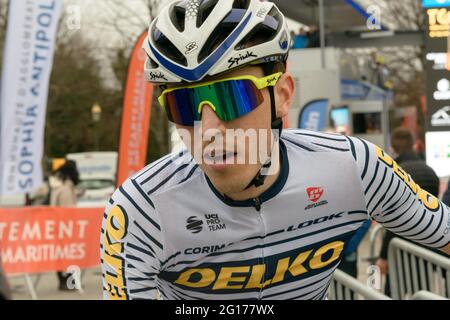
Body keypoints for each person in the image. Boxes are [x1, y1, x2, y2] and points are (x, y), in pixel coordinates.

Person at [101, 0, 450, 300]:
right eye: (183, 105)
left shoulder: (354, 166)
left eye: (231, 96)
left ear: (282, 96)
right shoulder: (140, 210)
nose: (208, 131)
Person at [376, 127, 441, 296]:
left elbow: (393, 221)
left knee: (393, 293)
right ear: (413, 145)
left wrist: (383, 255)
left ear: (393, 148)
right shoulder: (430, 172)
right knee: (423, 294)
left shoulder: (394, 174)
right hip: (424, 251)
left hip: (398, 250)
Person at [50, 159, 80, 291]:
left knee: (60, 255)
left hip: (58, 227)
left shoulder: (58, 187)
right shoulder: (66, 189)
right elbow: (68, 212)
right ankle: (67, 282)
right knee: (68, 255)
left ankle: (64, 282)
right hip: (65, 228)